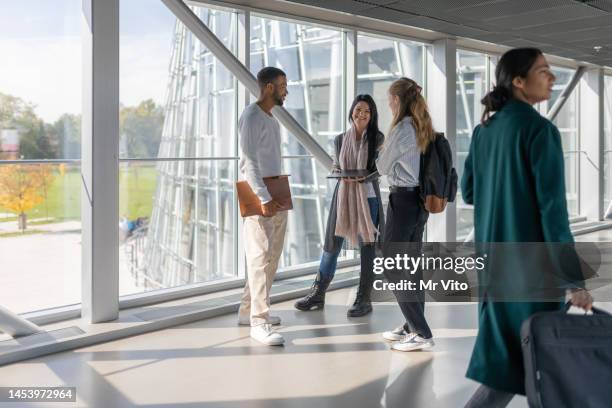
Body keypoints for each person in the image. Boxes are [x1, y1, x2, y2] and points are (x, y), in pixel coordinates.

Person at [461, 48, 594, 407]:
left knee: (510, 369)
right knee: (542, 368)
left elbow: (468, 191)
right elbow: (553, 214)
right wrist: (573, 282)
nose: (551, 77)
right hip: (532, 276)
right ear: (519, 82)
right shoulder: (540, 131)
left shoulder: (482, 131)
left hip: (494, 272)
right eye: (543, 71)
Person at [294, 94, 385, 317]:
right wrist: (337, 172)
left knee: (367, 249)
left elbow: (381, 168)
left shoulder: (378, 138)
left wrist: (363, 177)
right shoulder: (339, 139)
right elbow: (336, 166)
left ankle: (364, 299)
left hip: (368, 198)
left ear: (372, 115)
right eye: (358, 109)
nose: (361, 114)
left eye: (367, 111)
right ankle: (317, 294)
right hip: (343, 196)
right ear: (352, 111)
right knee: (331, 245)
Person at [377, 77, 437, 352]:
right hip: (419, 202)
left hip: (402, 202)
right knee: (410, 264)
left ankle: (422, 332)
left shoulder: (402, 128)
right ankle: (412, 324)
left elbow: (382, 166)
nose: (388, 103)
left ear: (398, 100)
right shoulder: (421, 124)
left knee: (392, 264)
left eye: (390, 98)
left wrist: (380, 154)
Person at [236, 67, 289, 346]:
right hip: (260, 197)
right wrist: (264, 198)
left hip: (276, 193)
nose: (286, 91)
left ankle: (248, 310)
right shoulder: (251, 116)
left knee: (272, 256)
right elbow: (248, 162)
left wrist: (275, 196)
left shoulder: (272, 120)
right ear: (269, 87)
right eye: (282, 86)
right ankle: (259, 321)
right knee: (258, 258)